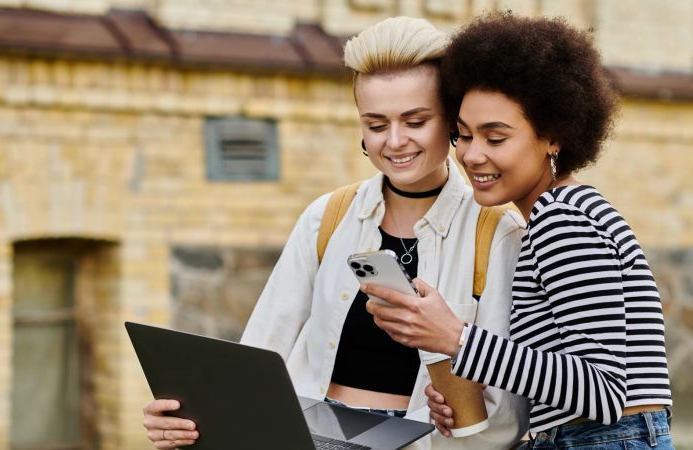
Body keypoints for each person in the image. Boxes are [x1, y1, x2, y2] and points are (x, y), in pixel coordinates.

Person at [140, 16, 528, 450]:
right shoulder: (327, 216)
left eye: (415, 121)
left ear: (452, 122)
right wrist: (192, 418)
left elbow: (507, 415)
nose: (395, 142)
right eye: (376, 125)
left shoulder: (498, 234)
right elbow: (259, 353)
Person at [364, 12, 674, 450]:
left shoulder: (563, 220)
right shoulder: (564, 212)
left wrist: (456, 339)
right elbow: (562, 380)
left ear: (553, 136)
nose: (472, 155)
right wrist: (464, 385)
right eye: (463, 135)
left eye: (495, 137)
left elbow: (601, 392)